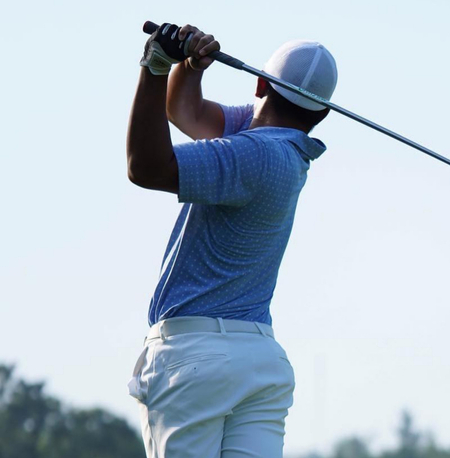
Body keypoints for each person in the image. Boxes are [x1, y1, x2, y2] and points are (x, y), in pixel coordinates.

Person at [126, 23, 338, 458]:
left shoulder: (253, 155)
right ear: (320, 115)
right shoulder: (267, 142)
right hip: (257, 362)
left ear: (261, 83)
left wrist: (154, 68)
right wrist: (189, 65)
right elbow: (185, 112)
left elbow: (145, 167)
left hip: (195, 359)